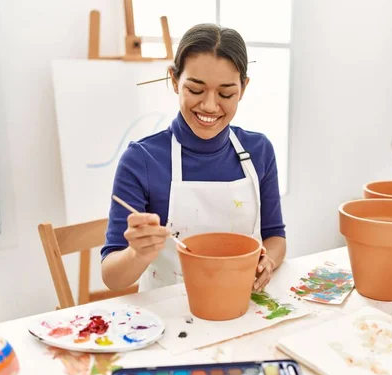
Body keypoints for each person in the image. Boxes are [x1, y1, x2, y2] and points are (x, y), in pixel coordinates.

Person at [101, 23, 286, 293]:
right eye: (196, 90)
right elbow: (111, 276)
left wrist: (267, 261)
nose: (210, 105)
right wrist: (137, 254)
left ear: (243, 88)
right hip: (169, 317)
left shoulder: (259, 151)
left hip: (241, 303)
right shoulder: (141, 160)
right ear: (174, 80)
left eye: (226, 93)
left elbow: (275, 236)